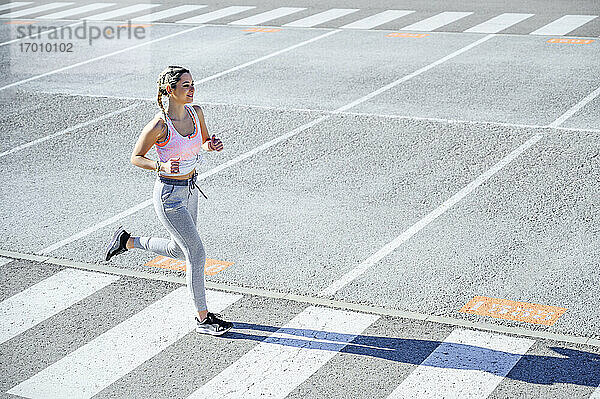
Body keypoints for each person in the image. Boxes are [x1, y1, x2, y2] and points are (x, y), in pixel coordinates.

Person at [104, 65, 232, 336]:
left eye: (192, 84)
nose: (192, 89)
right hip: (169, 196)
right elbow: (136, 157)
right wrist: (160, 167)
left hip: (191, 190)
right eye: (185, 85)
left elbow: (204, 141)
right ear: (169, 90)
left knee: (178, 250)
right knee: (196, 253)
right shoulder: (159, 126)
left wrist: (212, 145)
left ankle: (127, 241)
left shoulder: (196, 113)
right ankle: (203, 319)